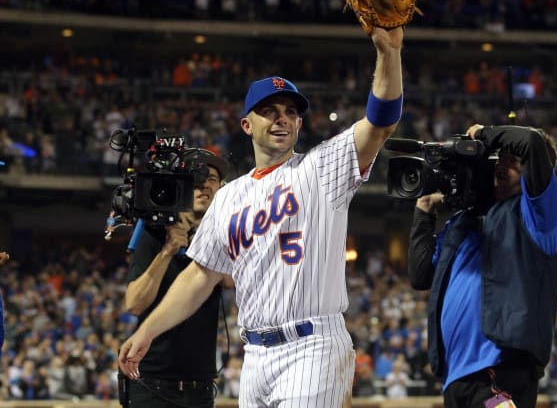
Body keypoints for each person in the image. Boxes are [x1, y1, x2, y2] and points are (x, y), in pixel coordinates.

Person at [119, 26, 405, 407]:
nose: (281, 118)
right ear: (246, 124)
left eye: (290, 112)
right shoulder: (228, 197)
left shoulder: (322, 169)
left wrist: (389, 54)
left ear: (300, 124)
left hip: (312, 345)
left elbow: (381, 122)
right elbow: (200, 275)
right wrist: (148, 331)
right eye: (268, 111)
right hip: (254, 355)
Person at [407, 124, 557, 408]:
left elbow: (531, 141)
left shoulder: (540, 217)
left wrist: (482, 134)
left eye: (514, 162)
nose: (503, 166)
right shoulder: (464, 222)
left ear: (535, 172)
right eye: (501, 158)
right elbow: (420, 276)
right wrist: (424, 211)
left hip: (500, 373)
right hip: (455, 379)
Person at [120, 148, 233, 408]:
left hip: (202, 385)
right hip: (152, 383)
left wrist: (208, 235)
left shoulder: (221, 235)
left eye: (213, 179)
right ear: (180, 186)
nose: (205, 184)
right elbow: (135, 303)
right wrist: (168, 251)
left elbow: (230, 280)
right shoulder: (153, 231)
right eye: (196, 178)